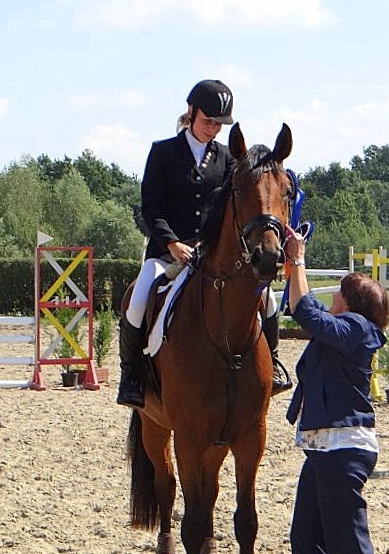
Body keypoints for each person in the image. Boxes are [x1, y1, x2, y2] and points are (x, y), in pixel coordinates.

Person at [117, 79, 290, 408]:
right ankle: (132, 376)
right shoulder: (163, 152)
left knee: (266, 298)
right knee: (138, 299)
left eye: (218, 124)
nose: (212, 129)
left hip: (211, 252)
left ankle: (275, 366)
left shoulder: (227, 159)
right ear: (191, 113)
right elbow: (151, 208)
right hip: (168, 252)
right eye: (207, 121)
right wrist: (172, 244)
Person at [283, 226, 389, 554]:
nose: (333, 298)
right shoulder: (341, 333)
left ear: (352, 303)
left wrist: (299, 260)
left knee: (348, 548)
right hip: (324, 449)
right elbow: (305, 312)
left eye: (339, 293)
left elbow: (304, 310)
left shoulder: (358, 330)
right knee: (306, 540)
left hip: (343, 449)